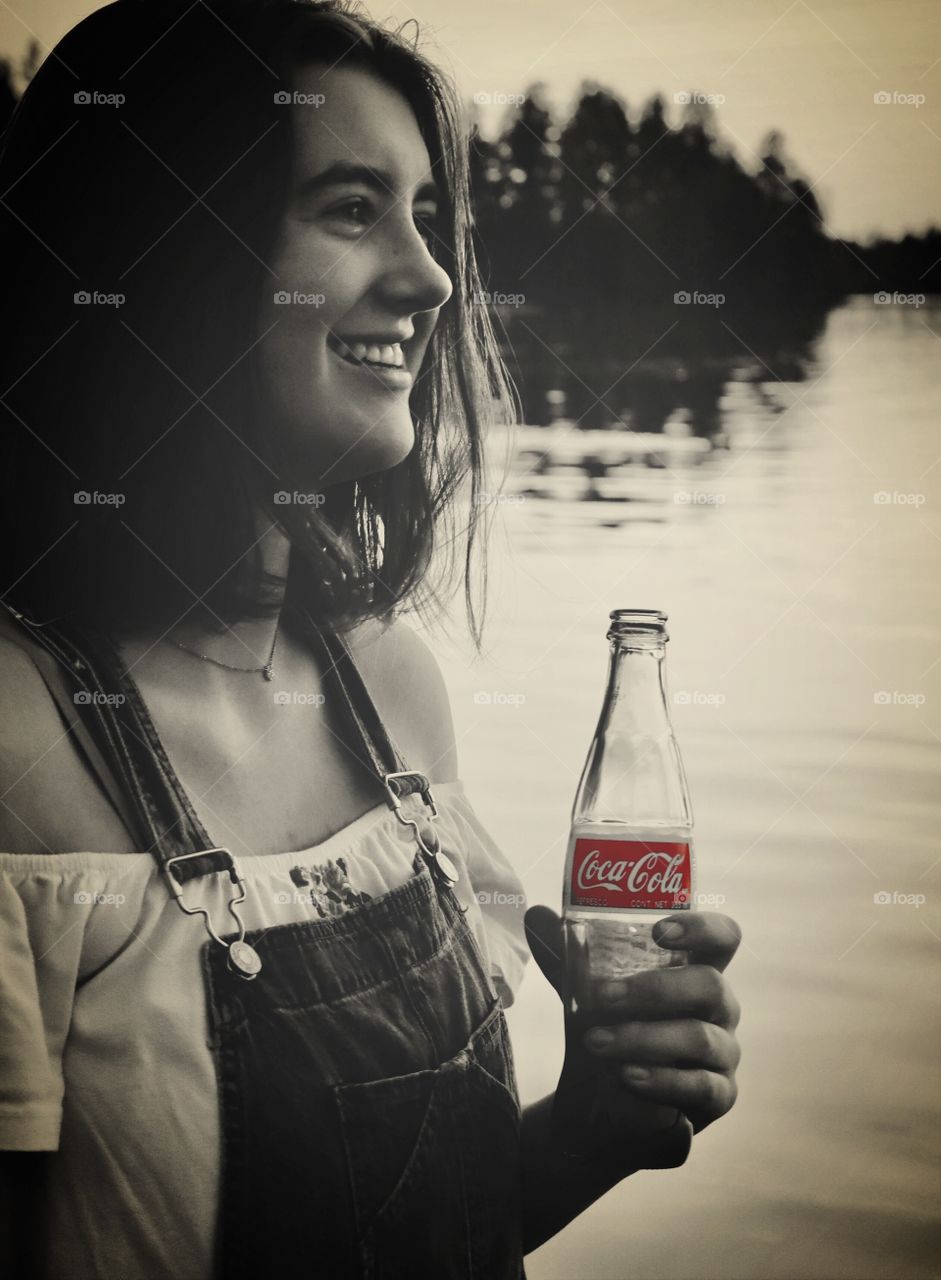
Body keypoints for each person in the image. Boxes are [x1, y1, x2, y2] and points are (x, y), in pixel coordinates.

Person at [0, 1, 743, 1276]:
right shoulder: (15, 739)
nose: (431, 277)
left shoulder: (391, 689)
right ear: (168, 250)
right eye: (351, 209)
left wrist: (594, 1125)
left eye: (423, 214)